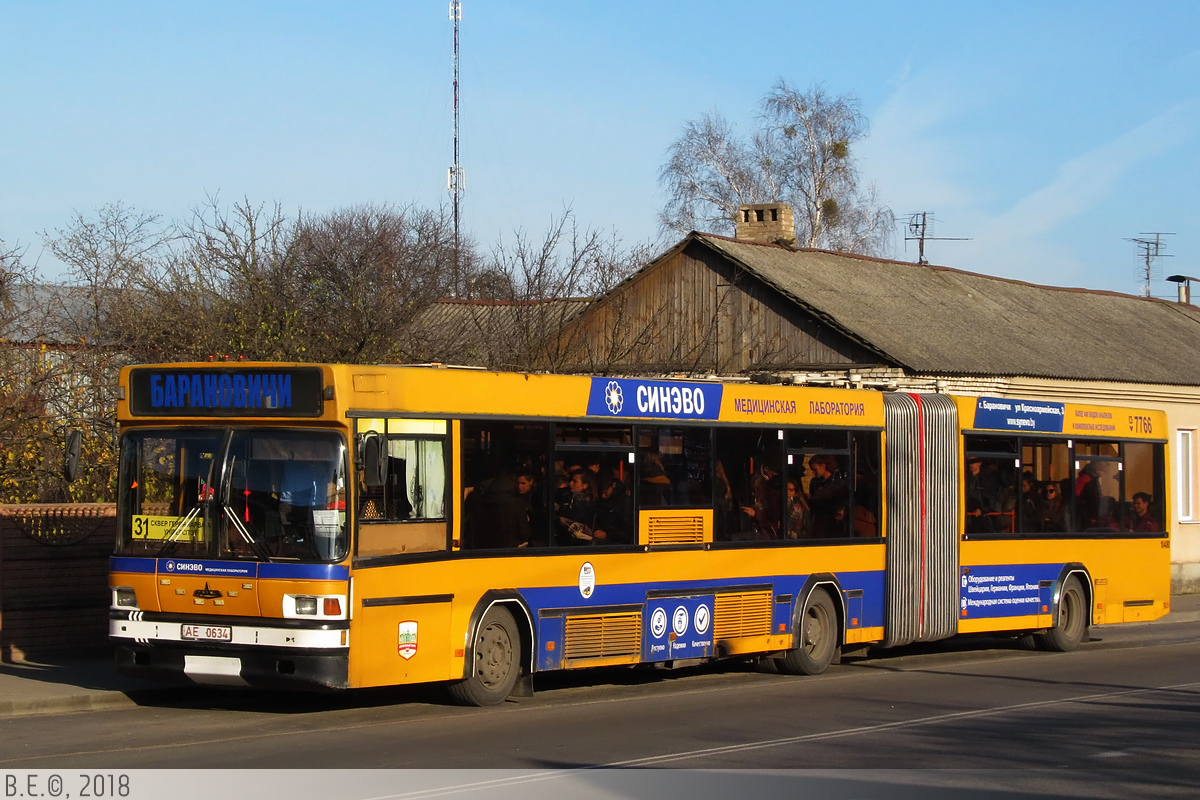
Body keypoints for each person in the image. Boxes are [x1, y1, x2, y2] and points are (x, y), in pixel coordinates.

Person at [741, 452, 782, 540]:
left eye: (756, 489)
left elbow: (773, 523)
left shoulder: (772, 498)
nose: (753, 493)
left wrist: (755, 514)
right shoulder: (758, 497)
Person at [808, 454, 848, 538]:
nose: (813, 473)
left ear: (823, 466)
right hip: (818, 519)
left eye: (815, 469)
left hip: (831, 520)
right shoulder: (815, 482)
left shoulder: (837, 483)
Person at [557, 468, 598, 545]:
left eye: (575, 481)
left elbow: (578, 518)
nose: (571, 483)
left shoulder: (583, 502)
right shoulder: (567, 496)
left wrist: (560, 510)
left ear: (585, 485)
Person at [592, 470, 633, 544]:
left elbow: (628, 531)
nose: (603, 496)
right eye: (601, 493)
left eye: (605, 492)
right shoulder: (602, 501)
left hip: (616, 544)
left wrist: (607, 534)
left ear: (613, 485)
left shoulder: (624, 503)